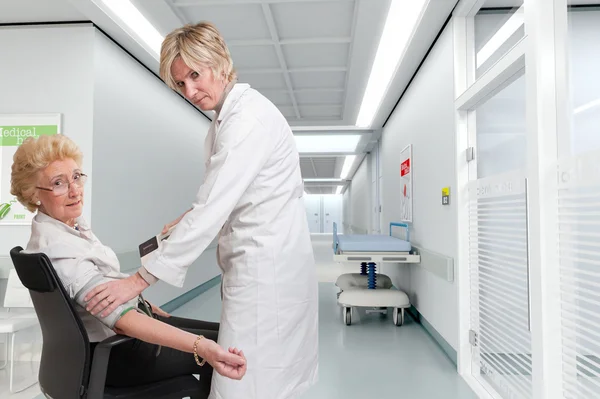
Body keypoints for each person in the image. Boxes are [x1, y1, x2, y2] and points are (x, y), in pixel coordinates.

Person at [84, 21, 319, 399]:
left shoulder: (247, 120)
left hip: (268, 276)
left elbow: (211, 209)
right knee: (255, 378)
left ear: (221, 64)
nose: (190, 90)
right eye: (180, 83)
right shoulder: (228, 118)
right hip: (258, 269)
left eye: (195, 75)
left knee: (240, 382)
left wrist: (136, 282)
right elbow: (215, 203)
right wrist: (166, 237)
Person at [10, 134, 247, 397]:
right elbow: (122, 322)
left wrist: (139, 301)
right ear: (34, 195)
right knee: (219, 348)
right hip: (121, 356)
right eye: (59, 183)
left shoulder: (64, 227)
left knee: (225, 335)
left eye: (76, 177)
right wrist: (201, 348)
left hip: (114, 342)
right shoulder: (59, 251)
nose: (75, 190)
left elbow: (105, 284)